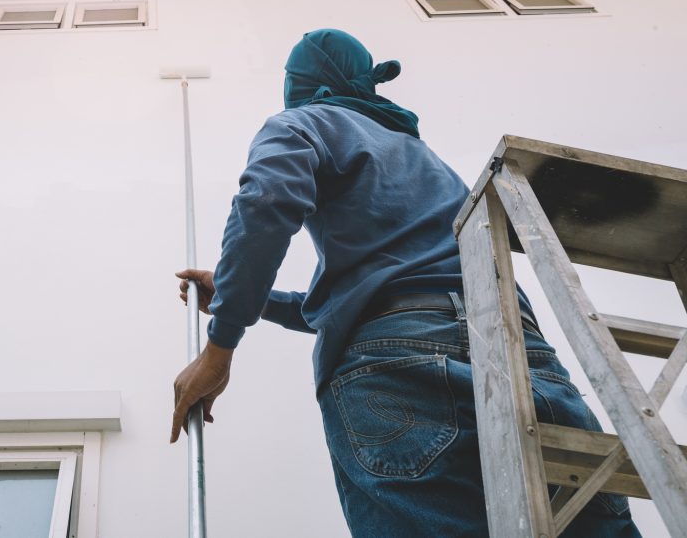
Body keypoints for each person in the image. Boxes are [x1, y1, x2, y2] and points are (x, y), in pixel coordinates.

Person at [169, 29, 640, 537]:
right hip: (520, 350)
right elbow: (389, 290)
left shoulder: (304, 122)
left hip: (398, 367)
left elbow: (264, 205)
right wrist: (258, 302)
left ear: (308, 87)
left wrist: (220, 346)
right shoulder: (429, 163)